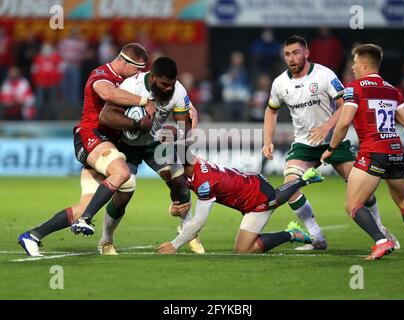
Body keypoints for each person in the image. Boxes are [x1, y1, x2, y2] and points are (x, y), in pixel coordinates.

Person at [17, 43, 155, 256]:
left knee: (91, 201)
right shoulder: (101, 74)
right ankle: (86, 220)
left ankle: (32, 235)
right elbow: (107, 93)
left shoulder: (129, 81)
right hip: (90, 136)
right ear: (125, 62)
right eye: (138, 68)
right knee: (122, 172)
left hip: (106, 143)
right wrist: (145, 101)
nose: (140, 73)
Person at [262, 35, 398, 250]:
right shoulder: (280, 83)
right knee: (290, 186)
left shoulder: (325, 75)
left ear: (306, 53)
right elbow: (271, 110)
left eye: (296, 53)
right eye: (287, 54)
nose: (291, 58)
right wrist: (267, 140)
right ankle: (317, 237)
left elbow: (345, 104)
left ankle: (380, 230)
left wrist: (327, 127)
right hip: (304, 144)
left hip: (335, 141)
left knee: (363, 191)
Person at [95, 56, 205, 255]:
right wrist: (136, 125)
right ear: (152, 77)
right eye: (164, 84)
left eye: (171, 84)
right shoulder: (131, 86)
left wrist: (177, 134)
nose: (168, 88)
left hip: (155, 143)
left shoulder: (178, 92)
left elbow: (185, 127)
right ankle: (106, 240)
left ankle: (188, 231)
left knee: (179, 182)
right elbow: (106, 116)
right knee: (124, 194)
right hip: (125, 145)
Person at [321, 44, 404, 260]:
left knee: (353, 204)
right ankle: (384, 240)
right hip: (394, 151)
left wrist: (331, 148)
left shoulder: (355, 89)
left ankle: (381, 241)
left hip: (373, 151)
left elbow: (344, 123)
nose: (353, 67)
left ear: (364, 64)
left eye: (355, 63)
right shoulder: (393, 90)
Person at [157, 154, 323, 254]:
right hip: (252, 184)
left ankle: (292, 234)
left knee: (243, 249)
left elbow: (199, 221)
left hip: (257, 200)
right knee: (274, 197)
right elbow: (183, 194)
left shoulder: (205, 182)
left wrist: (174, 245)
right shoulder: (193, 167)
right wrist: (174, 208)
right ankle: (304, 180)